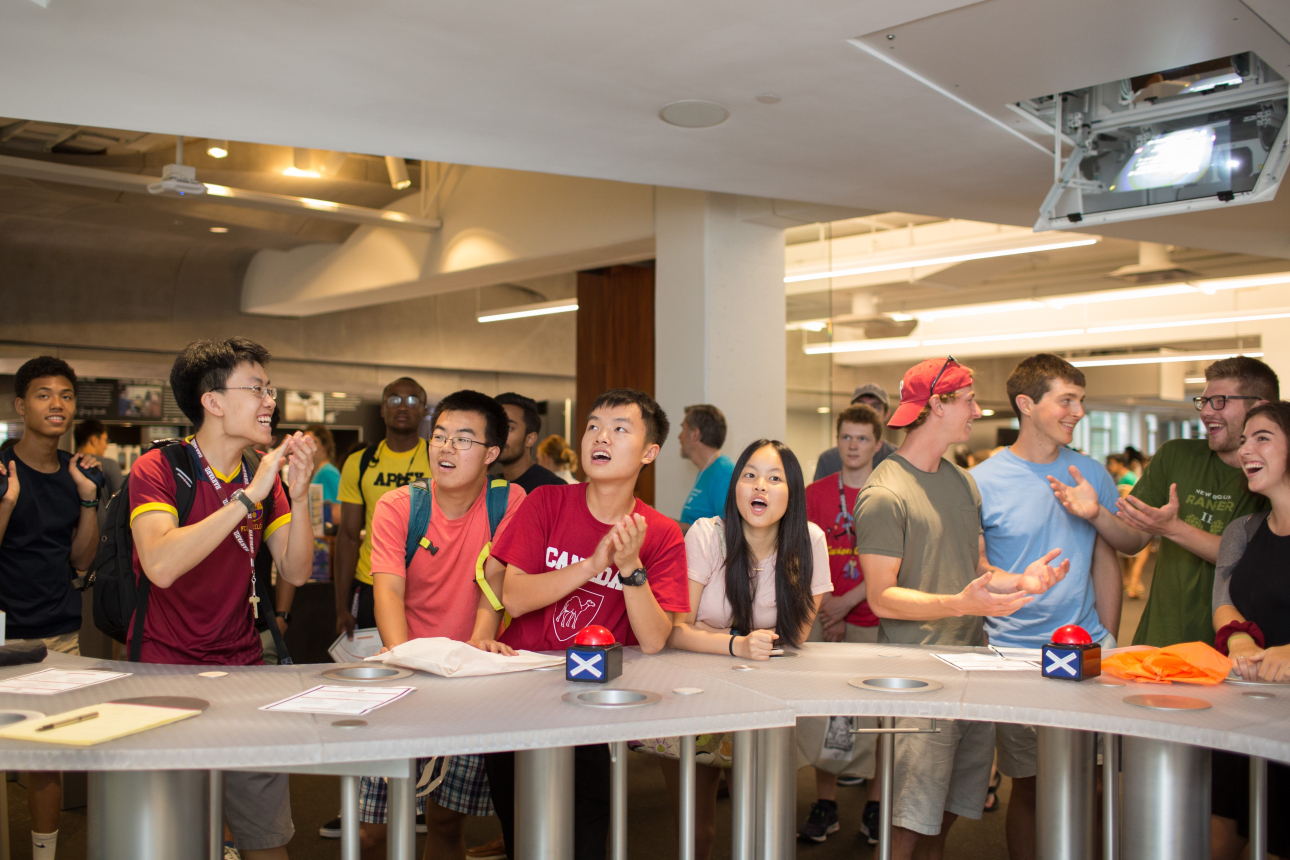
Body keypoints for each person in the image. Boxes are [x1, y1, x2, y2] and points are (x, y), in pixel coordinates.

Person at [855, 357, 1068, 860]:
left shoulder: (962, 482)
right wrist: (957, 603)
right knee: (910, 818)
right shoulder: (885, 493)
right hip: (917, 675)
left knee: (949, 810)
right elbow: (881, 596)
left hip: (973, 662)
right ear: (936, 405)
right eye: (968, 399)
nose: (977, 409)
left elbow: (977, 569)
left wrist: (1023, 580)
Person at [128, 338, 317, 860]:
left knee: (265, 835)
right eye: (256, 388)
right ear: (212, 401)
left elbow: (297, 570)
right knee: (175, 835)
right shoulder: (159, 469)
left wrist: (296, 497)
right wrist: (249, 497)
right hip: (164, 671)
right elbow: (161, 565)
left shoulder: (264, 479)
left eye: (270, 389)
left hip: (246, 669)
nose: (270, 401)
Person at [484, 388, 690, 860]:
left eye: (621, 429)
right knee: (523, 840)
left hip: (591, 703)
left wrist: (629, 566)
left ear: (649, 452)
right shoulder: (546, 503)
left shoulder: (659, 533)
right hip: (518, 695)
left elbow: (656, 640)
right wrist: (592, 563)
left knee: (585, 840)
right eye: (594, 425)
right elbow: (513, 597)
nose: (601, 436)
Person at [357, 390, 526, 859]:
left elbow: (494, 581)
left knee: (446, 822)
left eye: (463, 439)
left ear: (492, 453)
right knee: (373, 830)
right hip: (401, 673)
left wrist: (475, 648)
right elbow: (387, 590)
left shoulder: (508, 501)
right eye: (440, 437)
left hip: (469, 680)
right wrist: (406, 659)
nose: (445, 448)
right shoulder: (399, 505)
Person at [970, 354, 1122, 860]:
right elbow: (977, 571)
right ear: (1027, 405)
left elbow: (1116, 553)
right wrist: (1020, 581)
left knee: (1093, 782)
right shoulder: (983, 481)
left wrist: (1110, 641)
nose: (1078, 411)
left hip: (1087, 647)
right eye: (1067, 400)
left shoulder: (1090, 473)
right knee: (1030, 785)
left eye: (1081, 400)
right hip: (1015, 653)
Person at [663, 439, 830, 860]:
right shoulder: (708, 535)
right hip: (695, 687)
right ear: (735, 485)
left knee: (764, 818)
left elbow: (797, 634)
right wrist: (737, 643)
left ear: (792, 492)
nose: (760, 486)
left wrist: (711, 631)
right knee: (697, 827)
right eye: (750, 476)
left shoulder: (809, 540)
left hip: (766, 693)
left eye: (774, 479)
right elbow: (675, 632)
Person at [1050, 357, 1278, 646]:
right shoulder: (1176, 455)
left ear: (1258, 406)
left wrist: (1173, 529)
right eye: (1203, 401)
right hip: (1161, 640)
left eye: (1219, 401)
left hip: (1237, 650)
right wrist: (1097, 514)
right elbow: (1132, 540)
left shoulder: (1273, 477)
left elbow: (1258, 559)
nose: (1207, 412)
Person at [0, 357, 101, 860]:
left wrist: (87, 501)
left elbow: (82, 559)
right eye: (43, 395)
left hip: (58, 636)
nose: (56, 404)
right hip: (0, 633)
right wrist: (6, 504)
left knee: (47, 756)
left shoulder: (76, 474)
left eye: (64, 395)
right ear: (21, 405)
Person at [800, 403, 886, 843]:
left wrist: (846, 604)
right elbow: (804, 556)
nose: (853, 446)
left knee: (873, 712)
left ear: (877, 444)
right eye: (846, 437)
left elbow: (894, 562)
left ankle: (874, 805)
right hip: (821, 609)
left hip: (869, 611)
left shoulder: (887, 493)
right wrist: (827, 606)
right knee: (824, 706)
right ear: (837, 440)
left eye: (862, 438)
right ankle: (826, 802)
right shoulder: (816, 493)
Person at [1210, 400, 1290, 860]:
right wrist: (1237, 636)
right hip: (1244, 705)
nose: (1246, 450)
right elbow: (1224, 598)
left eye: (1263, 438)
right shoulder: (1243, 529)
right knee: (1220, 831)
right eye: (1244, 440)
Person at [335, 377, 432, 639]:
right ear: (382, 409)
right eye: (394, 400)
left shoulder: (439, 459)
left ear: (424, 410)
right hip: (372, 583)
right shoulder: (360, 463)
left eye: (412, 400)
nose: (403, 406)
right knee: (378, 670)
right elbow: (348, 535)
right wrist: (341, 606)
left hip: (428, 588)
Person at [813, 383, 897, 481]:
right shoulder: (828, 460)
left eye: (875, 407)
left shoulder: (897, 459)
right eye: (861, 405)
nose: (867, 411)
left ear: (887, 414)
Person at [677, 404, 735, 533]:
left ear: (695, 434)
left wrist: (676, 527)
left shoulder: (725, 472)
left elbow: (729, 531)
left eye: (683, 428)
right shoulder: (705, 470)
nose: (679, 436)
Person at [494, 392, 566, 494]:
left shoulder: (553, 488)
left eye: (509, 428)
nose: (499, 434)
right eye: (497, 426)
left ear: (530, 439)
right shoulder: (491, 486)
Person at [75, 417, 124, 502]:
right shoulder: (109, 465)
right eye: (105, 440)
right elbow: (122, 499)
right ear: (94, 440)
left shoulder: (67, 463)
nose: (106, 446)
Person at [304, 422, 341, 515]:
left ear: (325, 446)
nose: (308, 446)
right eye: (305, 442)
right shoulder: (317, 472)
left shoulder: (328, 472)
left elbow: (338, 512)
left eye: (313, 442)